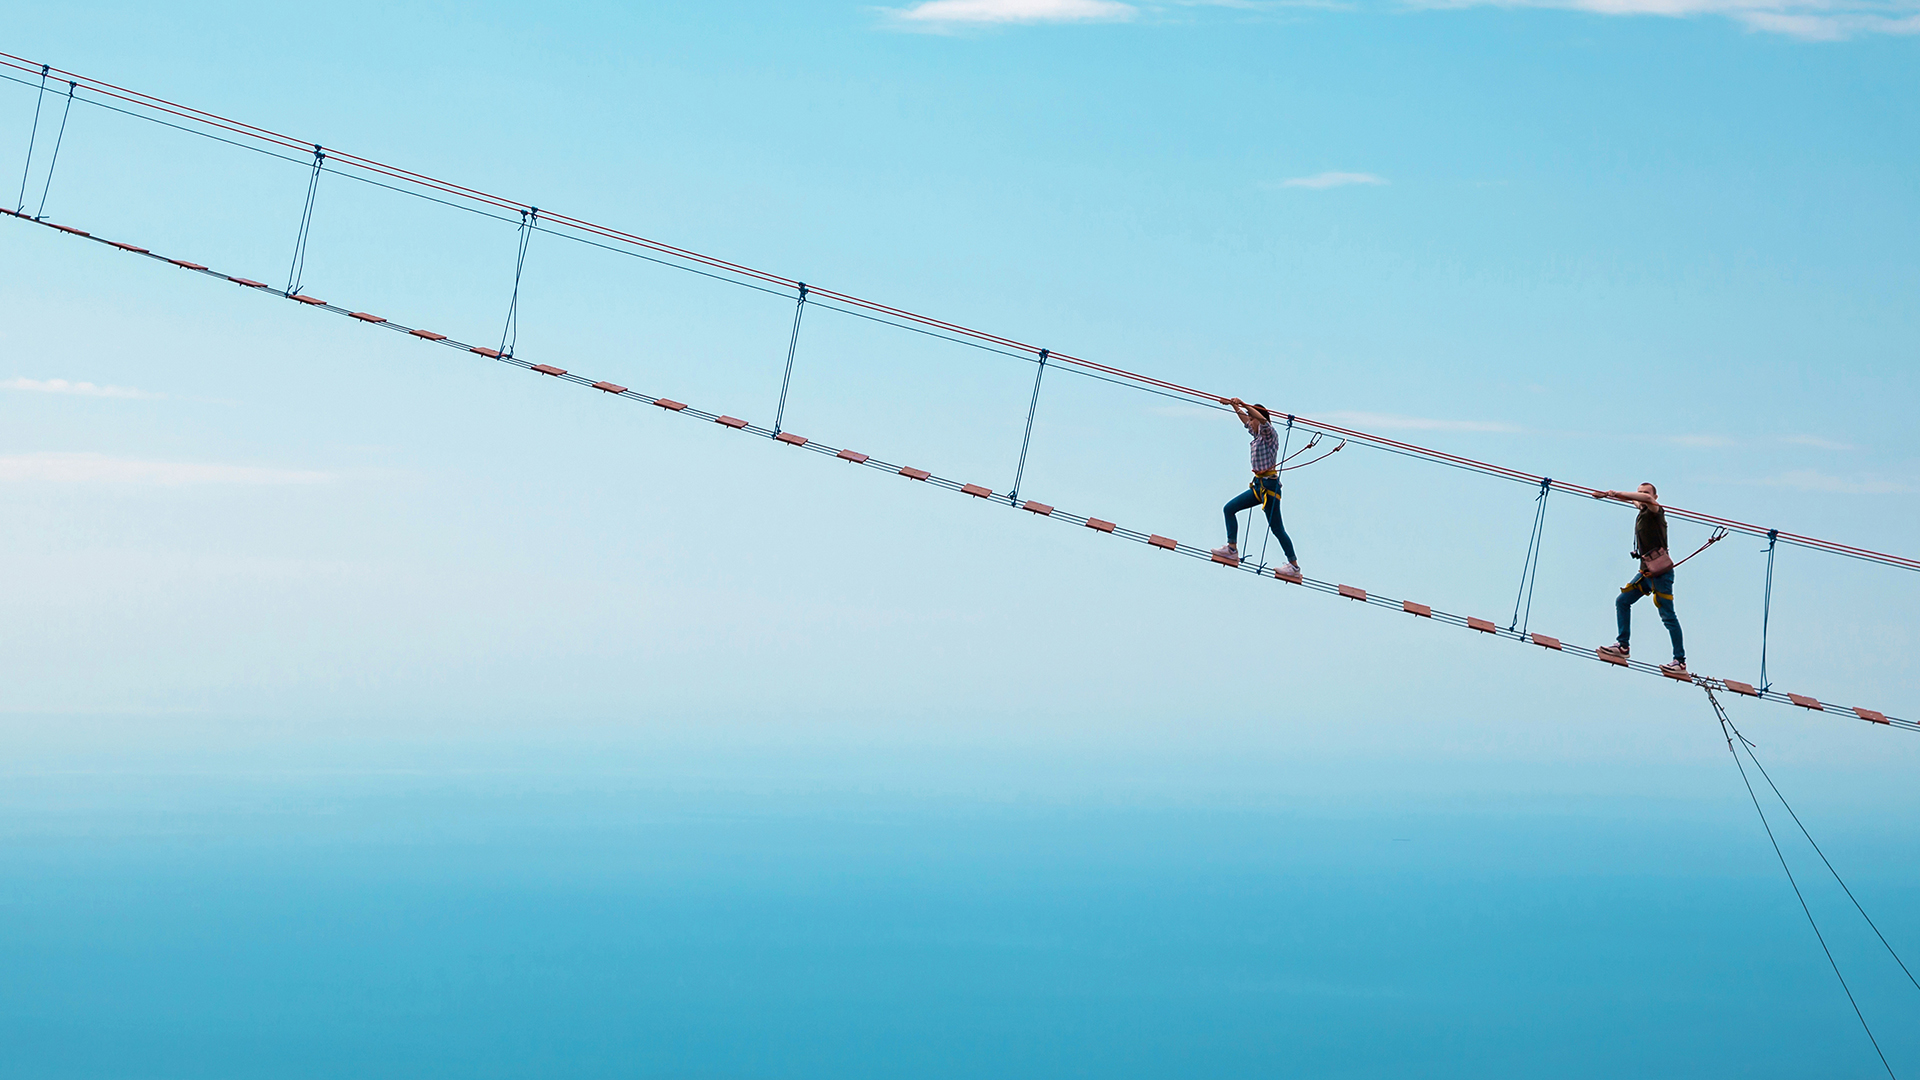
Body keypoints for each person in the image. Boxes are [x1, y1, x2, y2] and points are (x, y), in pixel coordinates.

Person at [1593, 482, 1686, 676]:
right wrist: (1608, 496)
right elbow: (1635, 501)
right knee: (1622, 601)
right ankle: (1623, 646)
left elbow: (1647, 500)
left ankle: (1680, 661)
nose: (1642, 496)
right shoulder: (1643, 509)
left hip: (1660, 574)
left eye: (1646, 493)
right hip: (1646, 573)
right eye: (1640, 492)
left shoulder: (1655, 510)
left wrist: (1616, 492)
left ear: (1655, 497)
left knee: (1668, 616)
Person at [1211, 398, 1299, 576]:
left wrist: (1244, 404)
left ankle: (1294, 566)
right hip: (1258, 487)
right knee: (1229, 509)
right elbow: (1245, 419)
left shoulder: (1269, 433)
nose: (1249, 423)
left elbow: (1262, 419)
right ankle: (1232, 549)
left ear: (1258, 419)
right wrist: (1235, 406)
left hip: (1270, 488)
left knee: (1277, 529)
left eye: (1252, 419)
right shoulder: (1257, 434)